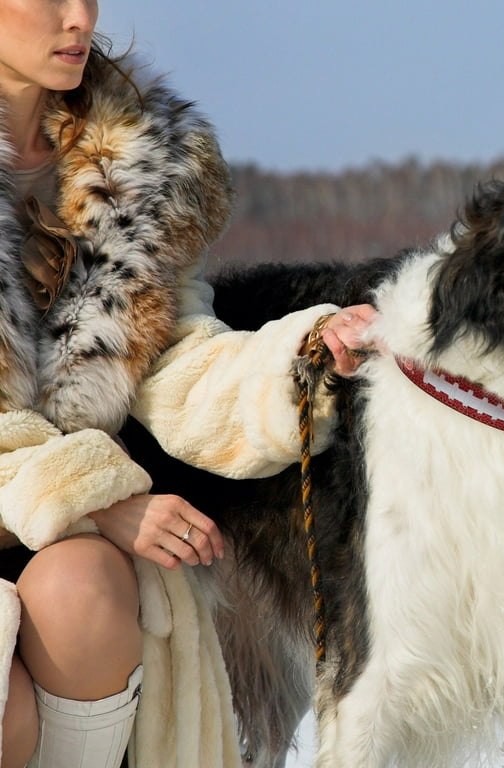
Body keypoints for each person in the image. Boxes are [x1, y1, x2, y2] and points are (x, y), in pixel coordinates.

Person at [0, 2, 377, 767]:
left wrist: (300, 358)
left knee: (85, 585)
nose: (77, 18)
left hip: (65, 543)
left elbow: (179, 363)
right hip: (61, 504)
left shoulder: (140, 168)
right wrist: (94, 497)